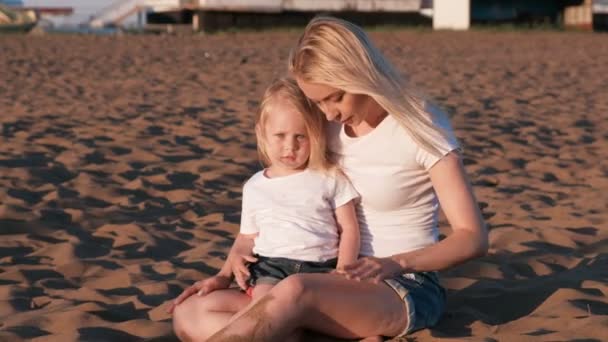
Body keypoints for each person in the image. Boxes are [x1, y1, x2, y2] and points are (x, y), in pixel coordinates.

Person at [198, 16, 489, 341]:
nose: (328, 114)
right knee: (191, 312)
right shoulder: (329, 126)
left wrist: (395, 262)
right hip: (328, 275)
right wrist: (241, 247)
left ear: (360, 74)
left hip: (404, 285)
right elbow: (290, 187)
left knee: (294, 291)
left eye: (335, 97)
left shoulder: (421, 126)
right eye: (317, 102)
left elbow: (472, 237)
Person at [169, 77, 361, 341]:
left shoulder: (328, 177)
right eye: (280, 136)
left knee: (267, 318)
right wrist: (223, 275)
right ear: (262, 133)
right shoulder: (256, 186)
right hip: (270, 269)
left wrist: (344, 271)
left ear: (315, 134)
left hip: (318, 270)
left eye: (300, 137)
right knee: (254, 313)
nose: (289, 147)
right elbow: (247, 237)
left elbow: (349, 228)